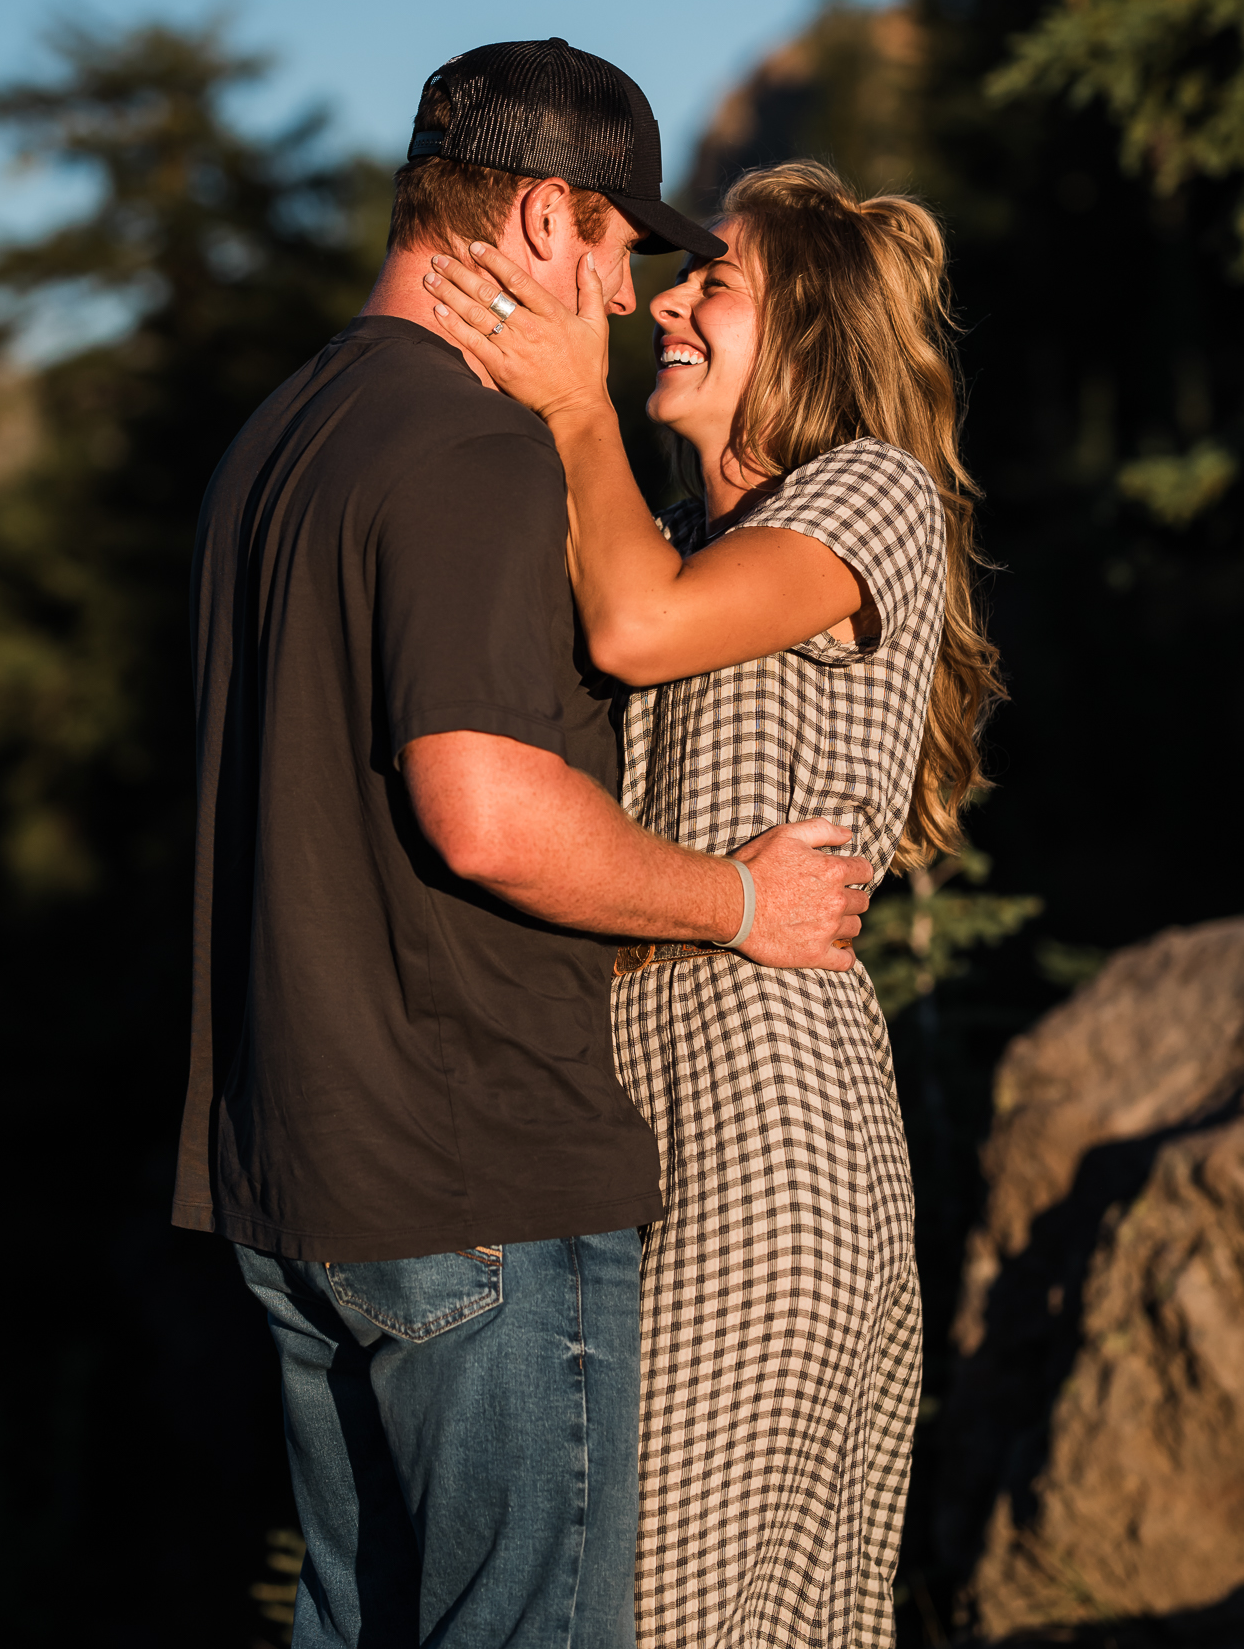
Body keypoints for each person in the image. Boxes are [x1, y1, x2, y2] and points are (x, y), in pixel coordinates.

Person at [173, 48, 873, 1649]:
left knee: (359, 1622)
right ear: (546, 219)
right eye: (623, 249)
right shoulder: (473, 447)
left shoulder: (277, 441)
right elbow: (484, 811)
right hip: (472, 1166)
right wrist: (741, 897)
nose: (630, 300)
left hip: (292, 1173)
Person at [421, 158, 1004, 1649]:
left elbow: (633, 629)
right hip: (669, 1114)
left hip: (764, 1127)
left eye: (715, 285)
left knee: (667, 1616)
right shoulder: (686, 535)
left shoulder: (869, 490)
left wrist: (569, 402)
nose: (669, 301)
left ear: (806, 337)